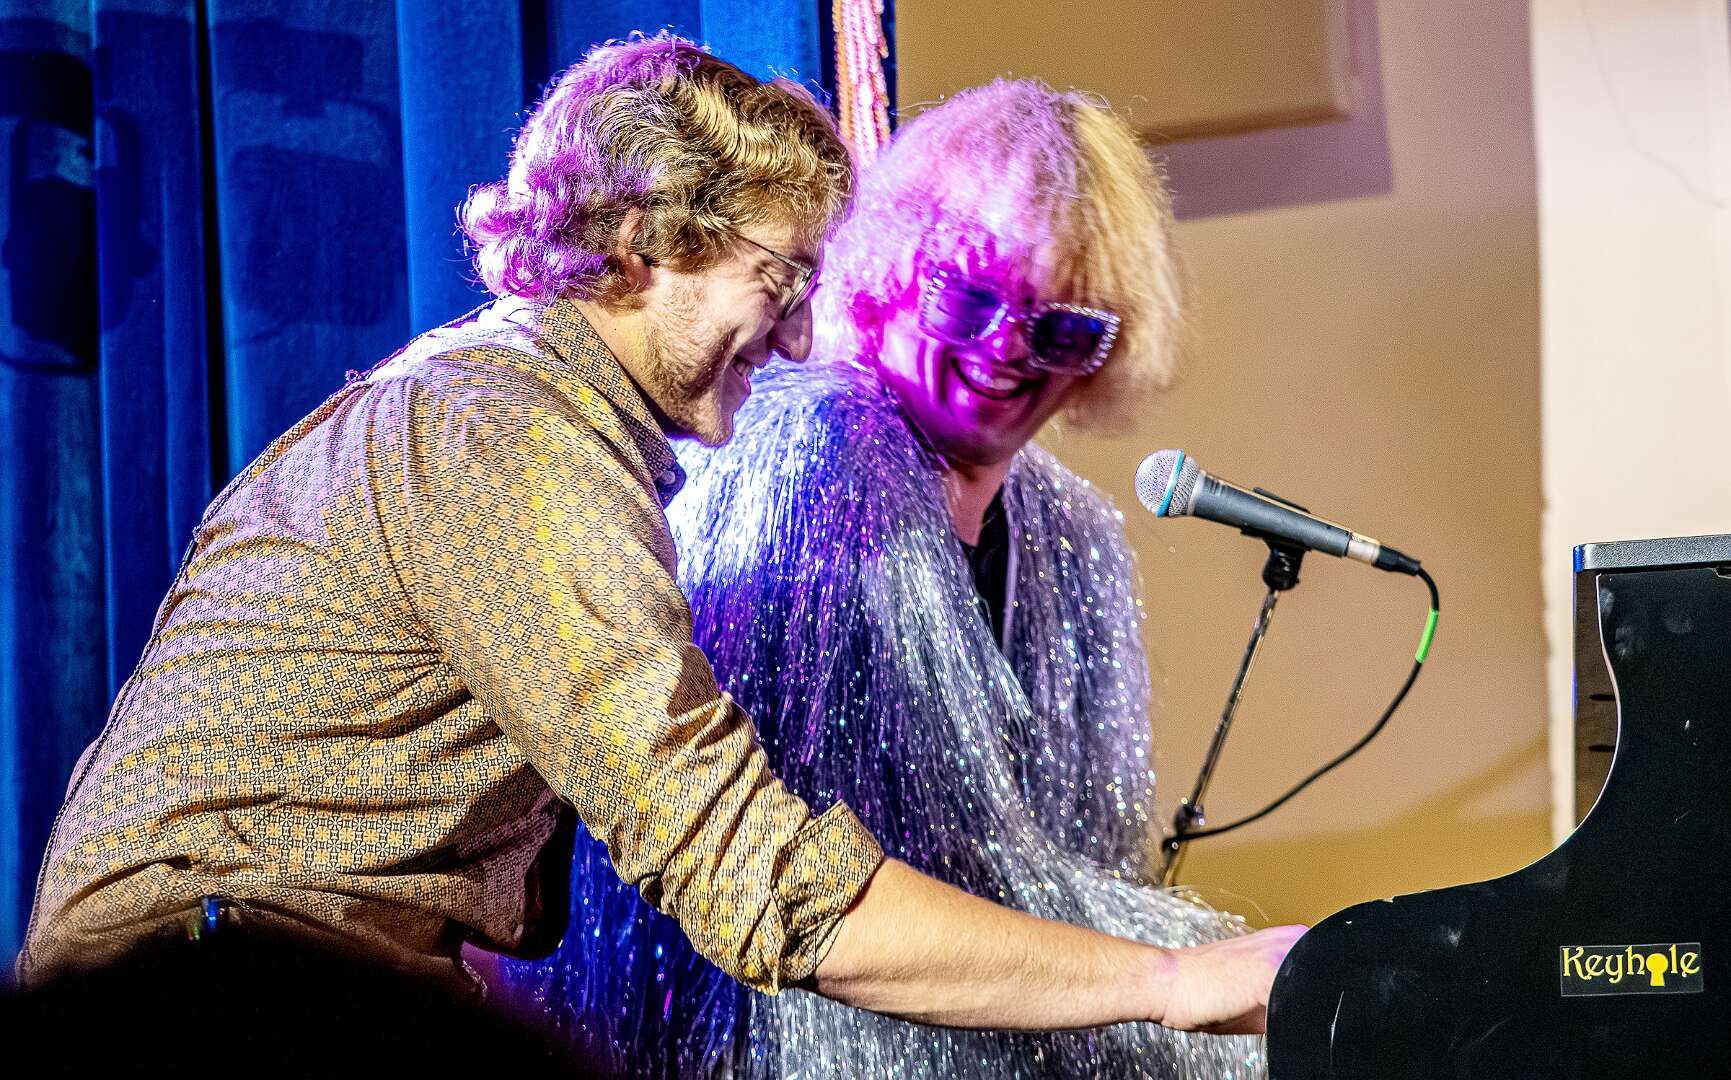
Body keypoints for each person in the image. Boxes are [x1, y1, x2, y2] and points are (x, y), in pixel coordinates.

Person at [20, 34, 1297, 1048]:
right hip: (214, 986)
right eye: (780, 284)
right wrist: (1175, 981)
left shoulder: (516, 417)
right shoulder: (505, 441)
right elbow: (752, 876)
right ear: (643, 244)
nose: (800, 339)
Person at [514, 81, 1278, 1078]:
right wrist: (1190, 974)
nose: (1005, 351)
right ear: (889, 269)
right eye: (970, 298)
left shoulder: (1073, 535)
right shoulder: (818, 456)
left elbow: (1079, 855)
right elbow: (807, 887)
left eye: (1061, 331)